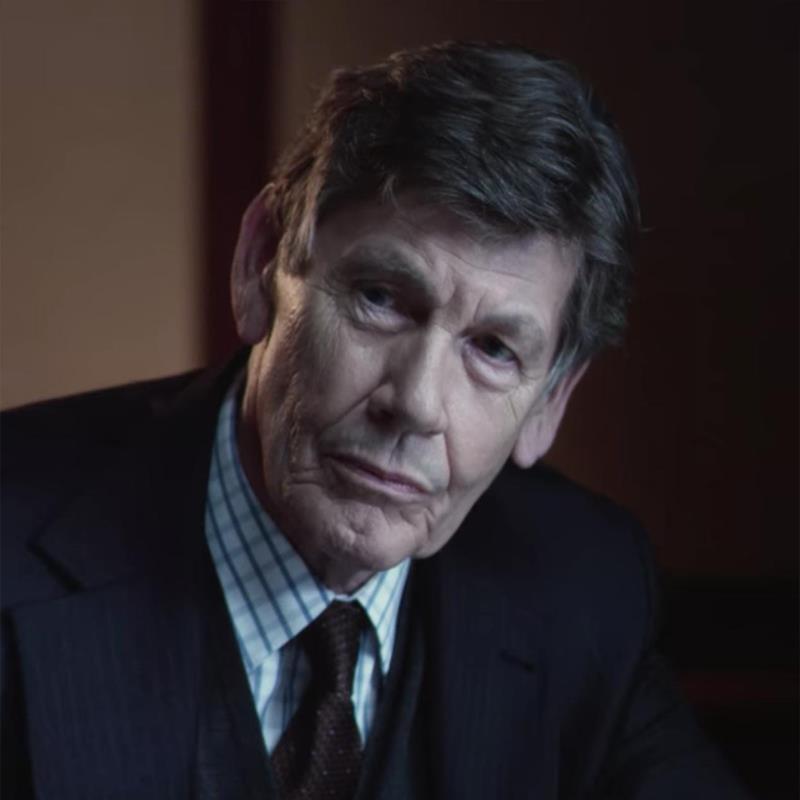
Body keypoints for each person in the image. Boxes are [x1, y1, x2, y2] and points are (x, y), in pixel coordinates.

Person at [2, 41, 750, 799]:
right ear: (261, 263)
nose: (416, 404)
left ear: (550, 401)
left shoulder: (581, 587)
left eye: (493, 350)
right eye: (381, 299)